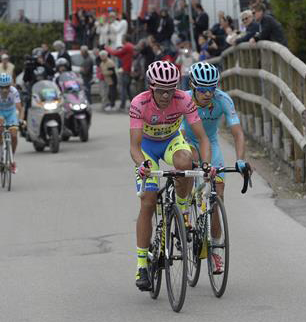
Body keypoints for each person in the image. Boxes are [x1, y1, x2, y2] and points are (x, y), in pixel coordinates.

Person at [130, 60, 212, 291]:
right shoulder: (139, 103)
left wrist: (205, 164)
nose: (166, 95)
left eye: (171, 89)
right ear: (151, 87)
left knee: (185, 162)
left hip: (171, 141)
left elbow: (203, 138)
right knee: (148, 200)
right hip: (147, 147)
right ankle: (141, 264)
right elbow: (134, 146)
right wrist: (142, 164)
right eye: (161, 90)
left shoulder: (184, 99)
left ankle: (182, 208)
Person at [181, 62, 251, 273]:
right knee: (191, 167)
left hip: (210, 142)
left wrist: (240, 159)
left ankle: (215, 252)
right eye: (202, 89)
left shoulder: (223, 99)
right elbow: (179, 132)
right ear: (193, 86)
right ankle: (184, 209)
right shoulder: (184, 100)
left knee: (217, 196)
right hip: (187, 140)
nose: (207, 93)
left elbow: (238, 133)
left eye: (212, 88)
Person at [0, 73, 24, 173]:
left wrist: (21, 120)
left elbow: (20, 109)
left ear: (10, 85)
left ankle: (11, 159)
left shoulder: (14, 91)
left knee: (14, 135)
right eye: (2, 87)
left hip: (10, 112)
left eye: (7, 87)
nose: (4, 90)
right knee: (0, 123)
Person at [106, 34, 134, 111]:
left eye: (122, 38)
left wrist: (107, 48)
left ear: (125, 39)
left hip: (125, 70)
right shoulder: (130, 46)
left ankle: (122, 105)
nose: (121, 40)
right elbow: (121, 55)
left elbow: (116, 54)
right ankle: (133, 105)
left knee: (123, 88)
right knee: (128, 88)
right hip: (128, 70)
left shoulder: (127, 46)